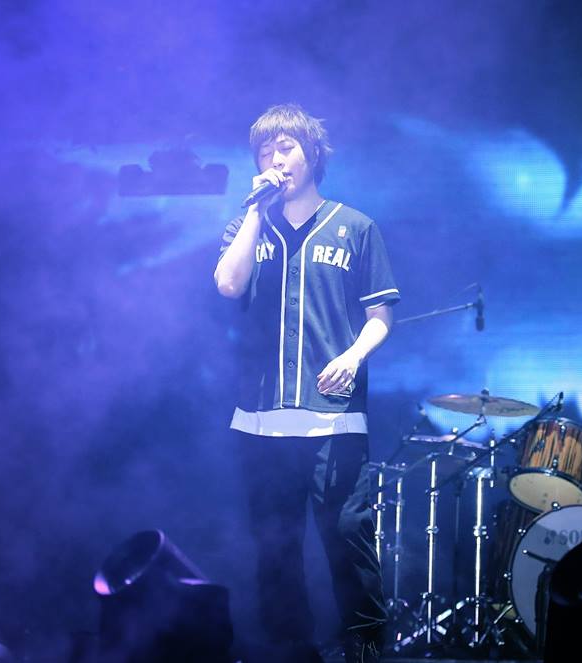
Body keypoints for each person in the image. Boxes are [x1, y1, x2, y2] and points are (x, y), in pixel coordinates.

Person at [214, 103, 399, 663]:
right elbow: (228, 285)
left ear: (312, 154)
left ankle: (365, 649)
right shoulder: (247, 226)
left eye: (286, 147)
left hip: (333, 417)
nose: (275, 159)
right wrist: (254, 210)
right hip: (261, 419)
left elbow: (380, 315)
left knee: (348, 539)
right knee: (274, 551)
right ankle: (291, 652)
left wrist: (354, 356)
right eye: (265, 151)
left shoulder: (356, 227)